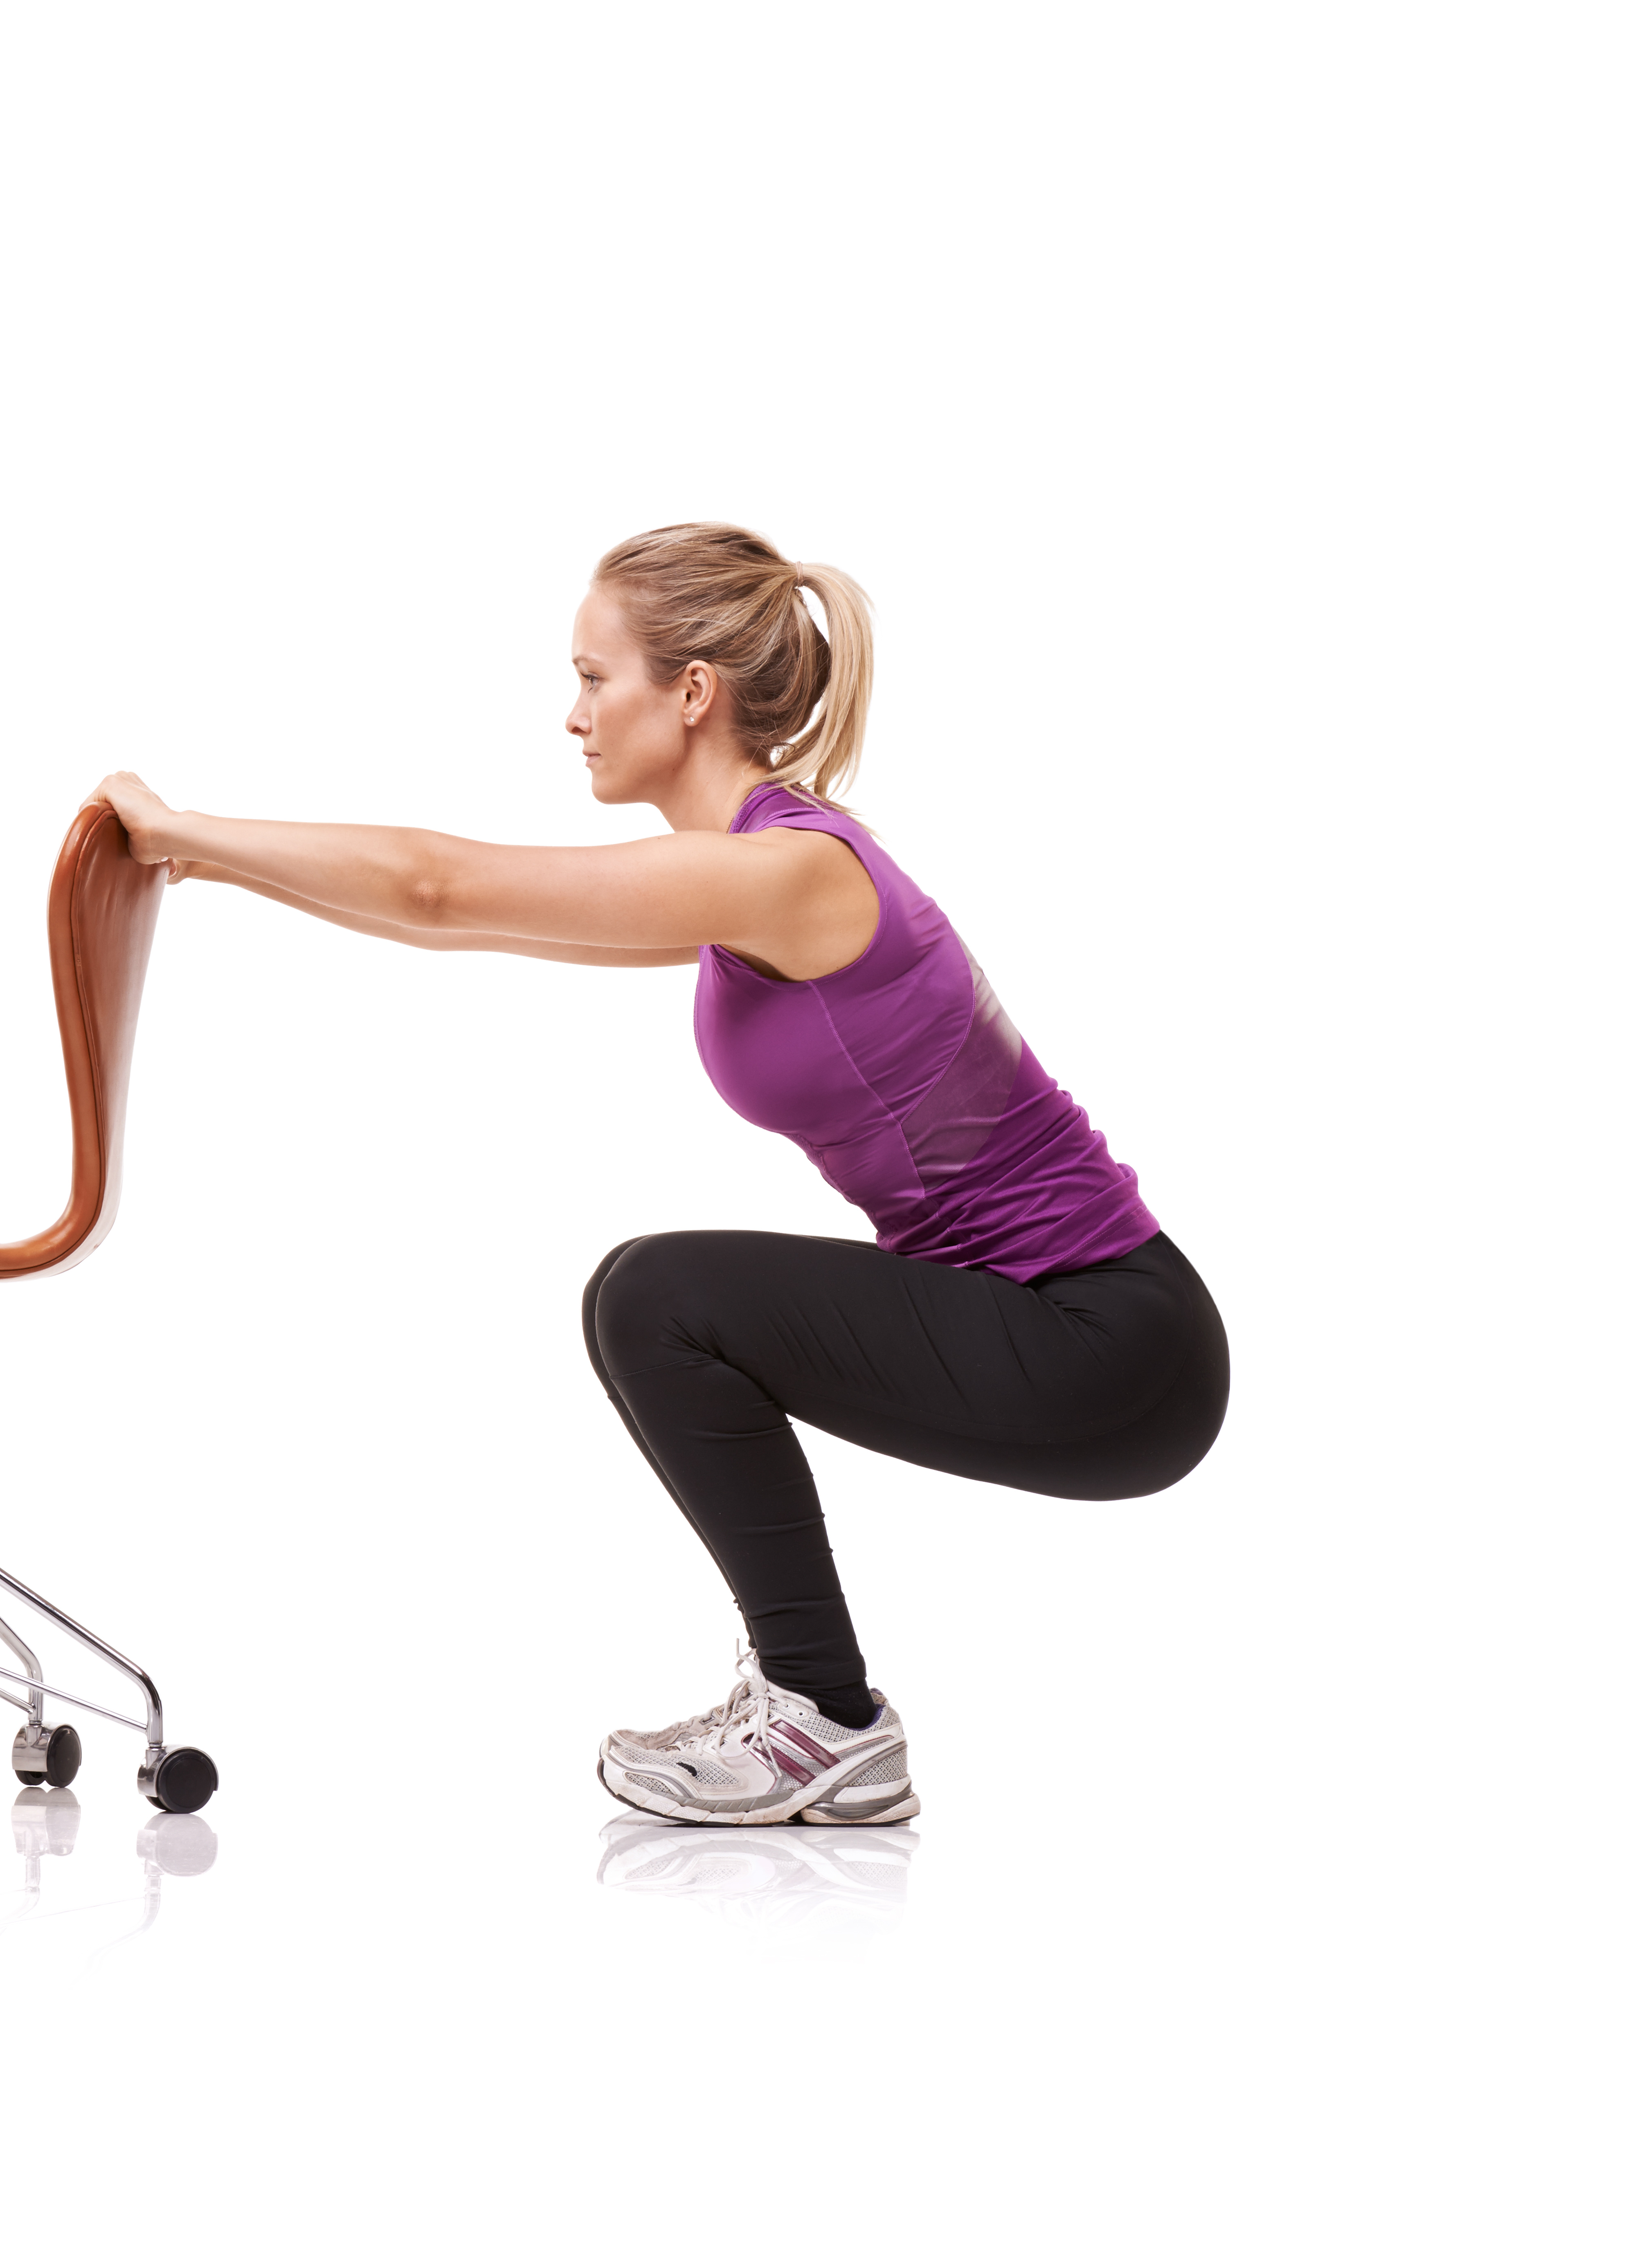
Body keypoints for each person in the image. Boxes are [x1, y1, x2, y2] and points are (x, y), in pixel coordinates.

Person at [94, 521, 1227, 1828]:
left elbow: (442, 887)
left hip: (1111, 1346)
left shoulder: (791, 872)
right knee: (644, 1293)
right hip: (1085, 1333)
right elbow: (460, 920)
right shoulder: (758, 874)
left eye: (594, 678)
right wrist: (209, 860)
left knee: (655, 1298)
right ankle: (818, 1708)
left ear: (692, 693)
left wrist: (182, 824)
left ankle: (821, 1716)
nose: (572, 715)